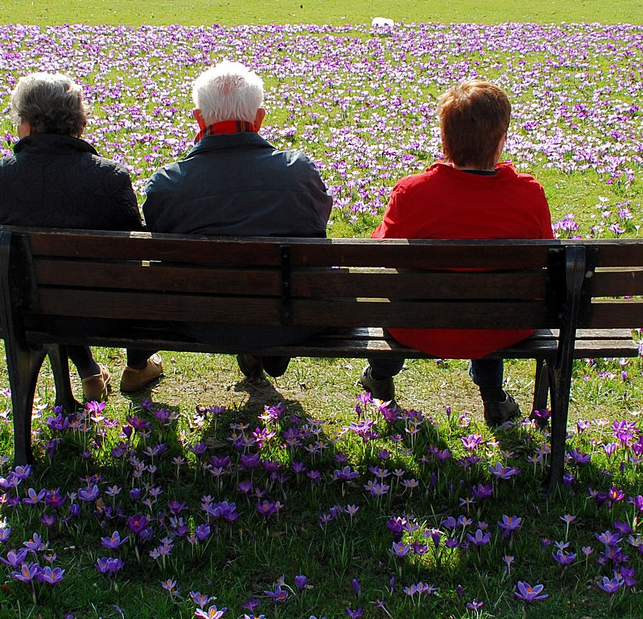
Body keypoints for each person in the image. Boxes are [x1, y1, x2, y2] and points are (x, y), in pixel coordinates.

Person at [360, 79, 553, 424]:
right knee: (487, 296)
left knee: (414, 304)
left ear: (445, 139)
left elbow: (381, 252)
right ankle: (494, 398)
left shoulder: (411, 193)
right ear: (501, 140)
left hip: (419, 326)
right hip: (503, 326)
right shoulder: (529, 194)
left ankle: (378, 377)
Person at [0, 73, 164, 403]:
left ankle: (89, 372)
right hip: (99, 310)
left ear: (28, 124)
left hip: (17, 309)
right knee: (104, 284)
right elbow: (132, 261)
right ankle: (137, 365)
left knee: (46, 284)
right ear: (78, 122)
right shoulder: (109, 178)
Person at [144, 61, 332, 380]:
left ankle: (260, 347)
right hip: (290, 317)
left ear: (198, 119)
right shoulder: (298, 172)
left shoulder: (167, 183)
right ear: (259, 118)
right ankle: (268, 349)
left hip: (198, 321)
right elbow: (316, 225)